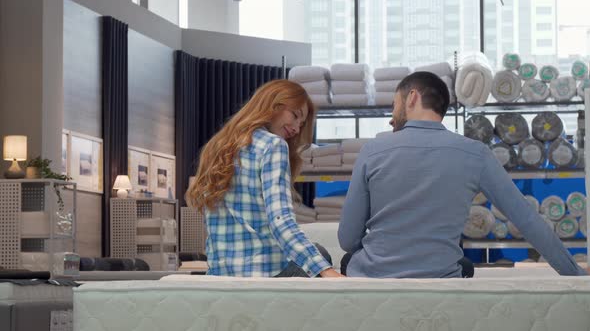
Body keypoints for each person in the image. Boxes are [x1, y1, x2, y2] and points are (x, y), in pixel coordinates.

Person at [338, 71, 588, 278]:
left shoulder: (372, 150)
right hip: (440, 277)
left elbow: (348, 239)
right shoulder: (475, 153)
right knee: (464, 265)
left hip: (374, 277)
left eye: (395, 105)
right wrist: (575, 275)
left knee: (349, 259)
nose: (392, 117)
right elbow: (528, 221)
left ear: (412, 97)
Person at [186, 79, 343, 278]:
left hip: (221, 274)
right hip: (264, 274)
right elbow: (280, 221)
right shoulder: (273, 145)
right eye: (295, 116)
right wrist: (327, 272)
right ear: (273, 104)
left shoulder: (217, 146)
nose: (296, 128)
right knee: (320, 254)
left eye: (301, 124)